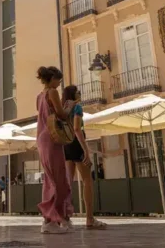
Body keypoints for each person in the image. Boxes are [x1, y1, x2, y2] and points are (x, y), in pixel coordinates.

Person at [61, 85, 106, 230]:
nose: (80, 93)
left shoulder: (64, 109)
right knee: (87, 180)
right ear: (73, 95)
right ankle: (89, 218)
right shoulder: (78, 108)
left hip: (65, 144)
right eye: (78, 92)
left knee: (68, 182)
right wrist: (86, 150)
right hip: (76, 144)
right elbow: (76, 129)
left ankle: (64, 217)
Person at [35, 66, 72, 234]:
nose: (60, 83)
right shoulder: (52, 92)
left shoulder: (39, 96)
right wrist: (70, 107)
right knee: (58, 178)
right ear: (52, 79)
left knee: (50, 179)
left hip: (42, 137)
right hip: (52, 137)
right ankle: (52, 220)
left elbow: (44, 115)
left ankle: (51, 219)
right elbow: (60, 114)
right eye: (58, 79)